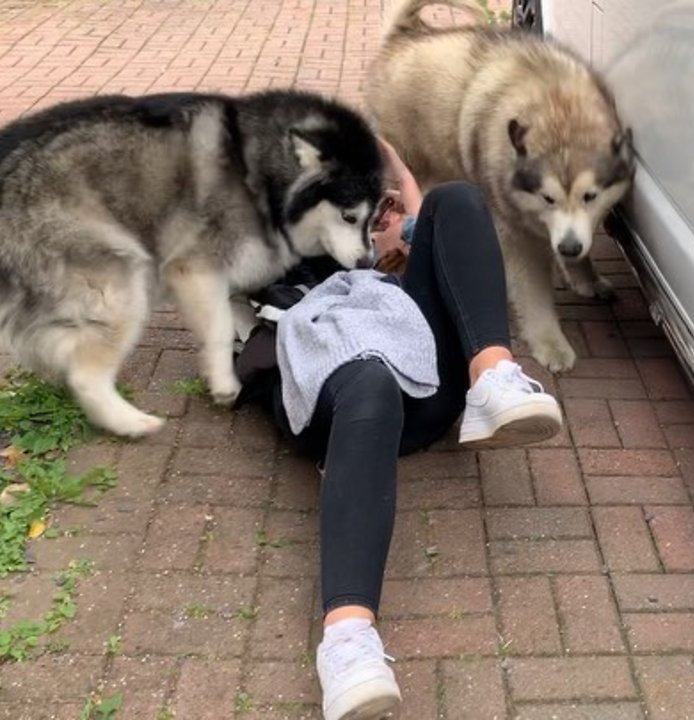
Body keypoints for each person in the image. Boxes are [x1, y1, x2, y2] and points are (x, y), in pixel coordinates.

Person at [238, 139, 565, 720]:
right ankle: (346, 644)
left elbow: (410, 196)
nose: (386, 216)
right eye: (374, 212)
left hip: (424, 383)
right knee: (369, 379)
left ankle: (493, 377)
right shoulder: (294, 251)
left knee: (457, 199)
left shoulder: (399, 270)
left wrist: (384, 158)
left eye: (389, 211)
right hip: (341, 389)